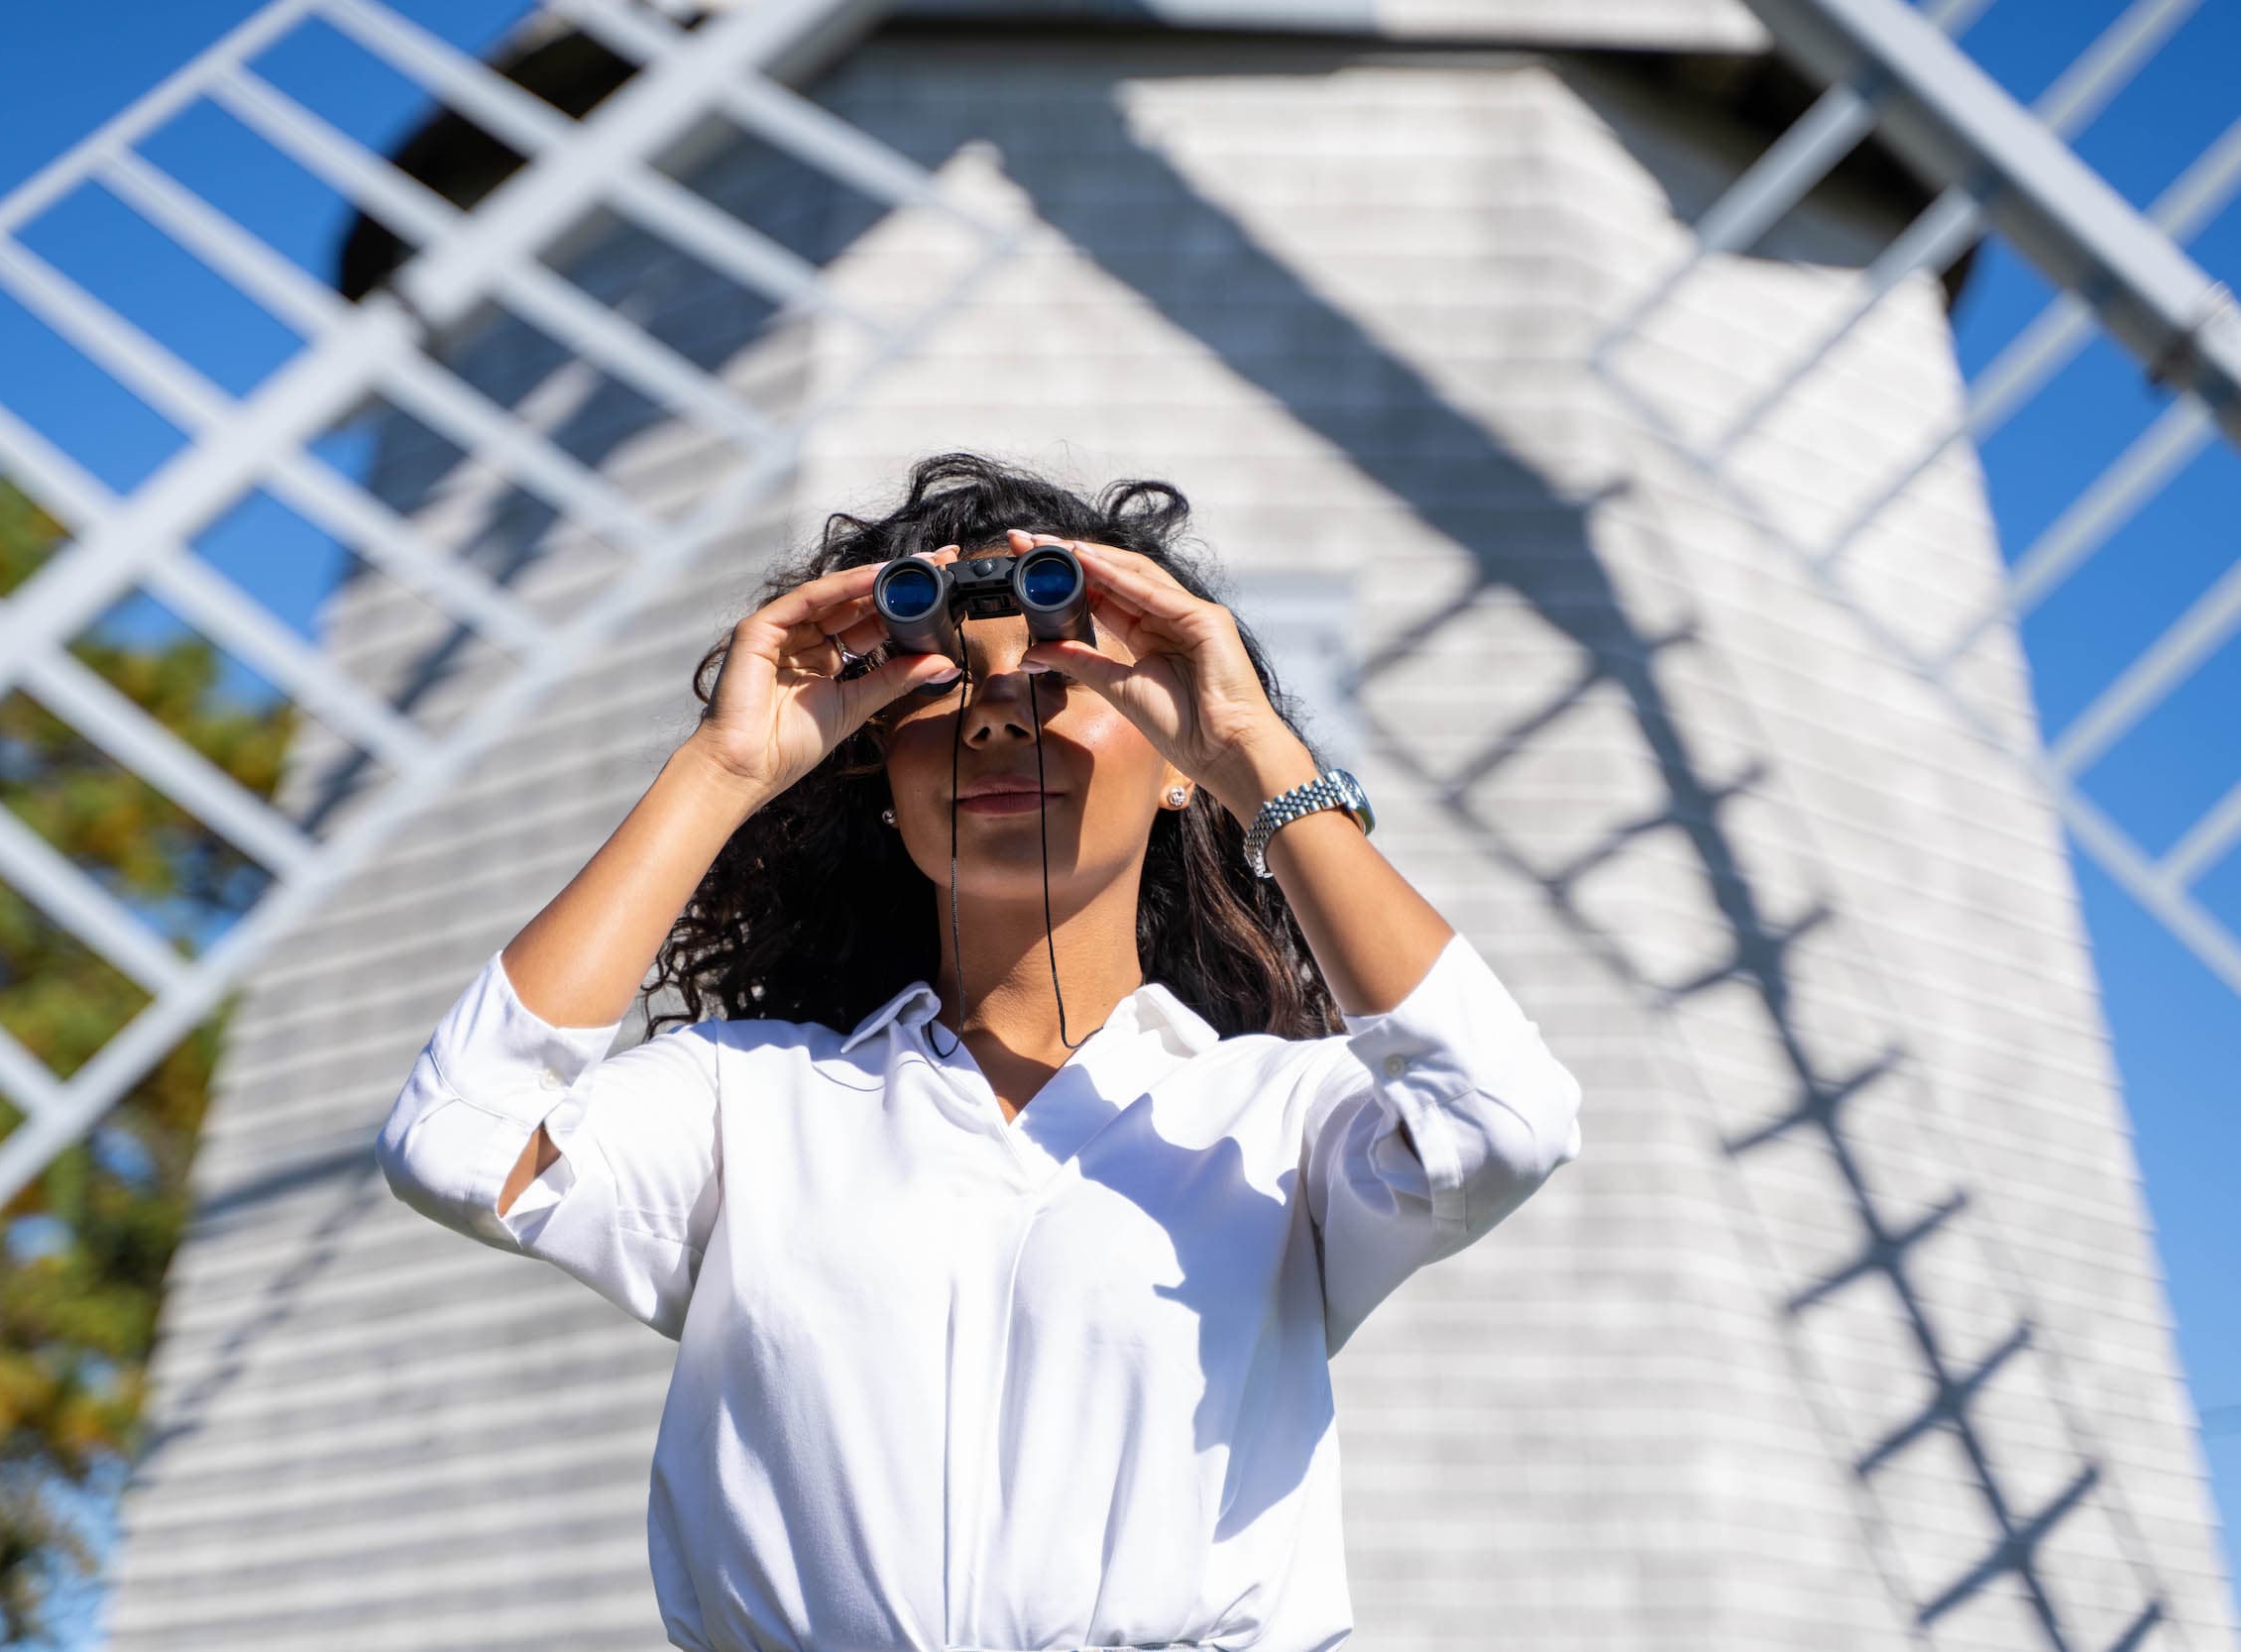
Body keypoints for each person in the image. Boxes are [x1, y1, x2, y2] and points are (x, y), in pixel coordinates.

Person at [375, 453, 1583, 1652]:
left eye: (1062, 669)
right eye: (942, 682)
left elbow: (1502, 1122)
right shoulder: (748, 1101)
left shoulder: (1279, 1114)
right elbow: (452, 1143)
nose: (999, 712)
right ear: (879, 767)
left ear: (1176, 766)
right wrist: (722, 768)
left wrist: (1250, 750)